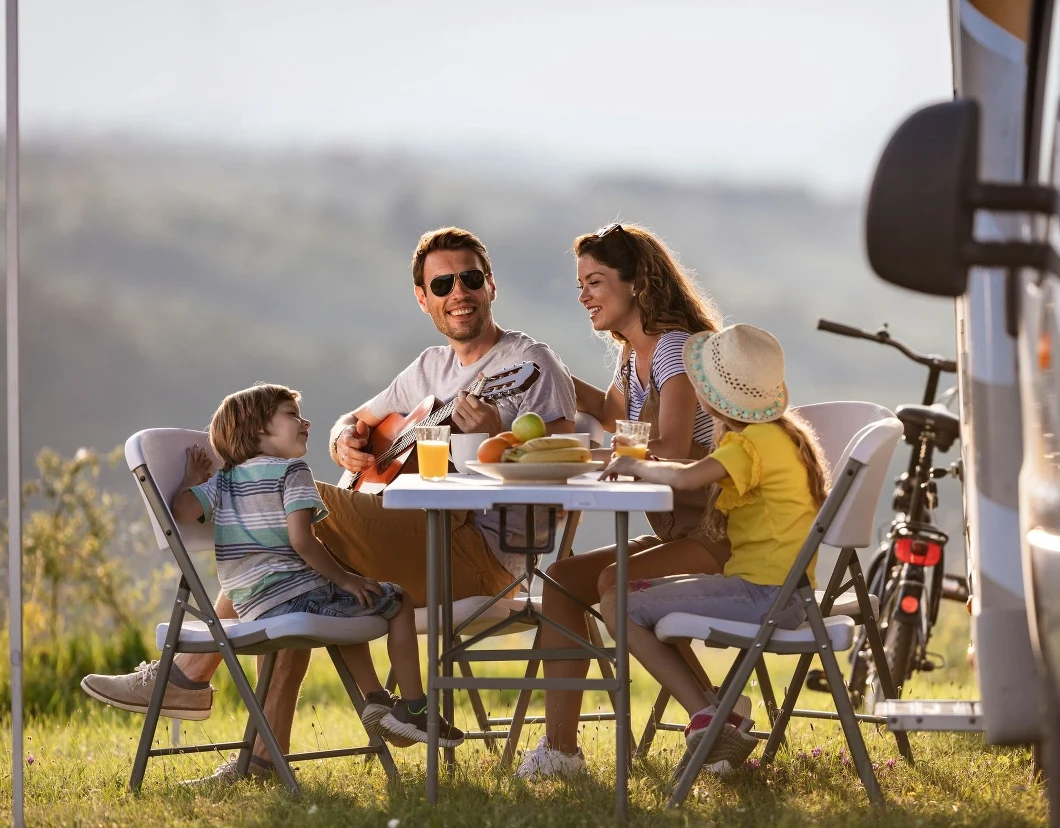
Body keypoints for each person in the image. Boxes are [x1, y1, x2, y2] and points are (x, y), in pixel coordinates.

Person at [81, 226, 577, 782]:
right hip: (410, 542)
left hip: (484, 560)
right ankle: (264, 757)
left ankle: (188, 674)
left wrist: (495, 435)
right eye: (442, 284)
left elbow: (564, 455)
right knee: (294, 560)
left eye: (469, 279)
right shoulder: (428, 368)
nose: (457, 292)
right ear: (424, 298)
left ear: (491, 286)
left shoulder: (528, 362)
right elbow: (356, 420)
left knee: (301, 502)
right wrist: (345, 440)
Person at [515, 223, 735, 780]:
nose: (584, 294)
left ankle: (712, 716)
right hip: (676, 535)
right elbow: (617, 419)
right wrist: (553, 376)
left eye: (595, 281)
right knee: (564, 580)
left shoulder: (675, 351)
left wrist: (609, 447)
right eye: (580, 283)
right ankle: (562, 752)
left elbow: (671, 448)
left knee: (615, 585)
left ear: (636, 284)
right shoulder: (632, 358)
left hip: (718, 537)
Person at [175, 383, 463, 778]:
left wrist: (192, 477)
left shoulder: (222, 482)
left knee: (355, 599)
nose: (305, 421)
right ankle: (413, 707)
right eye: (292, 415)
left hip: (252, 605)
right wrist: (344, 578)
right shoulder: (293, 471)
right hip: (295, 597)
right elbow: (302, 540)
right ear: (259, 428)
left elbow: (180, 509)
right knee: (393, 600)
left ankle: (377, 700)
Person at [597, 324, 828, 777]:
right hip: (789, 595)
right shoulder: (779, 435)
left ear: (711, 396)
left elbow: (686, 478)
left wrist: (631, 462)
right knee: (630, 592)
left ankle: (709, 715)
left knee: (617, 603)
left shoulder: (747, 445)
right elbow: (693, 467)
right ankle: (719, 713)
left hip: (765, 596)